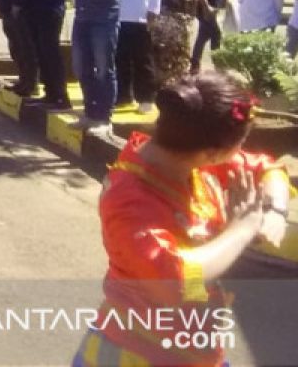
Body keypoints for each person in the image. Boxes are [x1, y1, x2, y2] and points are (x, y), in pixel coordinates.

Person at [71, 73, 289, 367]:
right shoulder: (129, 200)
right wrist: (242, 229)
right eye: (241, 143)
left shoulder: (190, 158)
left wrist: (275, 209)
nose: (242, 153)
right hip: (138, 353)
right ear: (213, 153)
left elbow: (265, 168)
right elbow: (176, 282)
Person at [67, 0, 130, 135]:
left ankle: (104, 116)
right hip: (82, 20)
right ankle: (89, 112)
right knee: (81, 67)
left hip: (104, 22)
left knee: (104, 69)